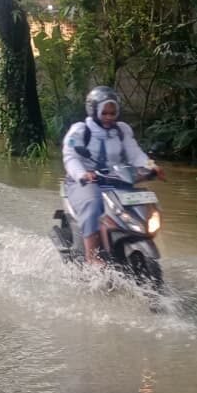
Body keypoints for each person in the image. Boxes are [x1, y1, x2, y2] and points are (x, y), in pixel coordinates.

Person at [62, 86, 160, 268]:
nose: (109, 117)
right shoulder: (80, 130)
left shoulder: (122, 131)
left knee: (138, 203)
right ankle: (92, 256)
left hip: (116, 180)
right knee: (93, 203)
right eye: (105, 113)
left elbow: (135, 154)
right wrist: (82, 174)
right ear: (94, 111)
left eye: (112, 113)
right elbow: (70, 156)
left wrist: (152, 167)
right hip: (84, 182)